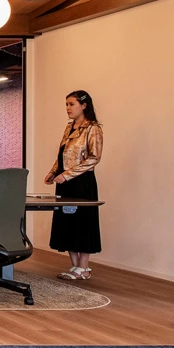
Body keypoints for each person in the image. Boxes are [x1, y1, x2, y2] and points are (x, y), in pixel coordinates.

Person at [46, 90, 103, 281]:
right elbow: (62, 154)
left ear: (84, 105)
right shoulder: (69, 127)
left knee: (83, 222)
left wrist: (67, 175)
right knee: (67, 221)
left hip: (81, 183)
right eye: (66, 104)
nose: (68, 108)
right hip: (65, 181)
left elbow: (94, 157)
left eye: (72, 104)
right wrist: (54, 172)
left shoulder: (92, 128)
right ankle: (74, 265)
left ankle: (84, 267)